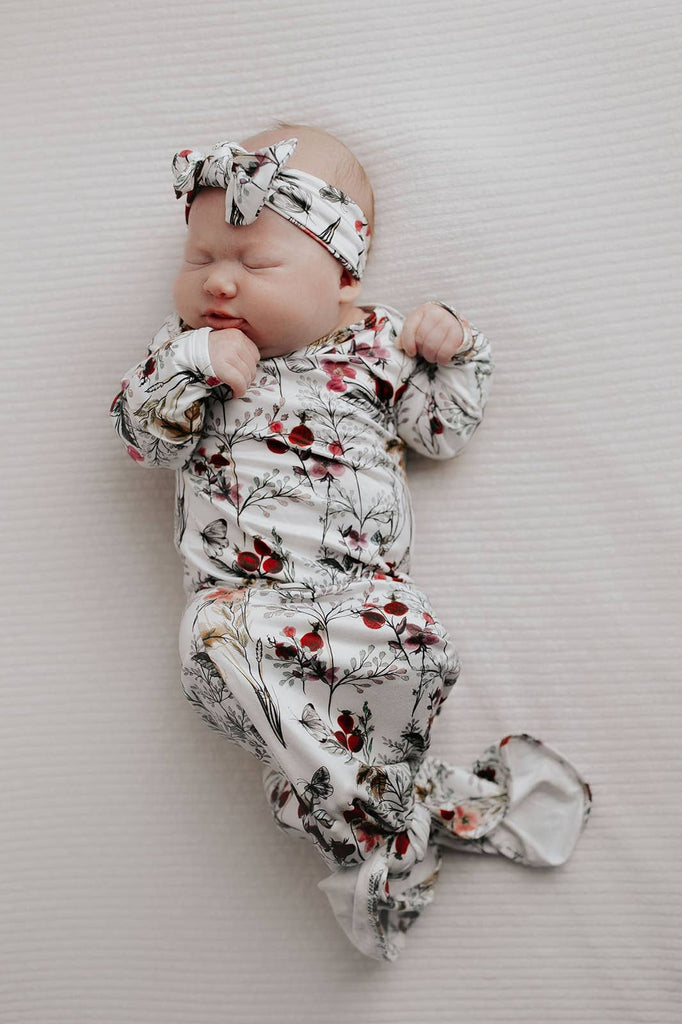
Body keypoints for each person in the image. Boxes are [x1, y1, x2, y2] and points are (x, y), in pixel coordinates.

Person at [110, 123, 592, 961]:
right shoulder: (183, 356)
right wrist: (192, 363)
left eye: (256, 265)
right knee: (207, 639)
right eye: (199, 262)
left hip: (372, 612)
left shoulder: (377, 343)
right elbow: (141, 435)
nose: (219, 281)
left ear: (344, 276)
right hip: (250, 627)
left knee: (406, 660)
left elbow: (439, 430)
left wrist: (454, 354)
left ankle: (378, 812)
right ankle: (409, 817)